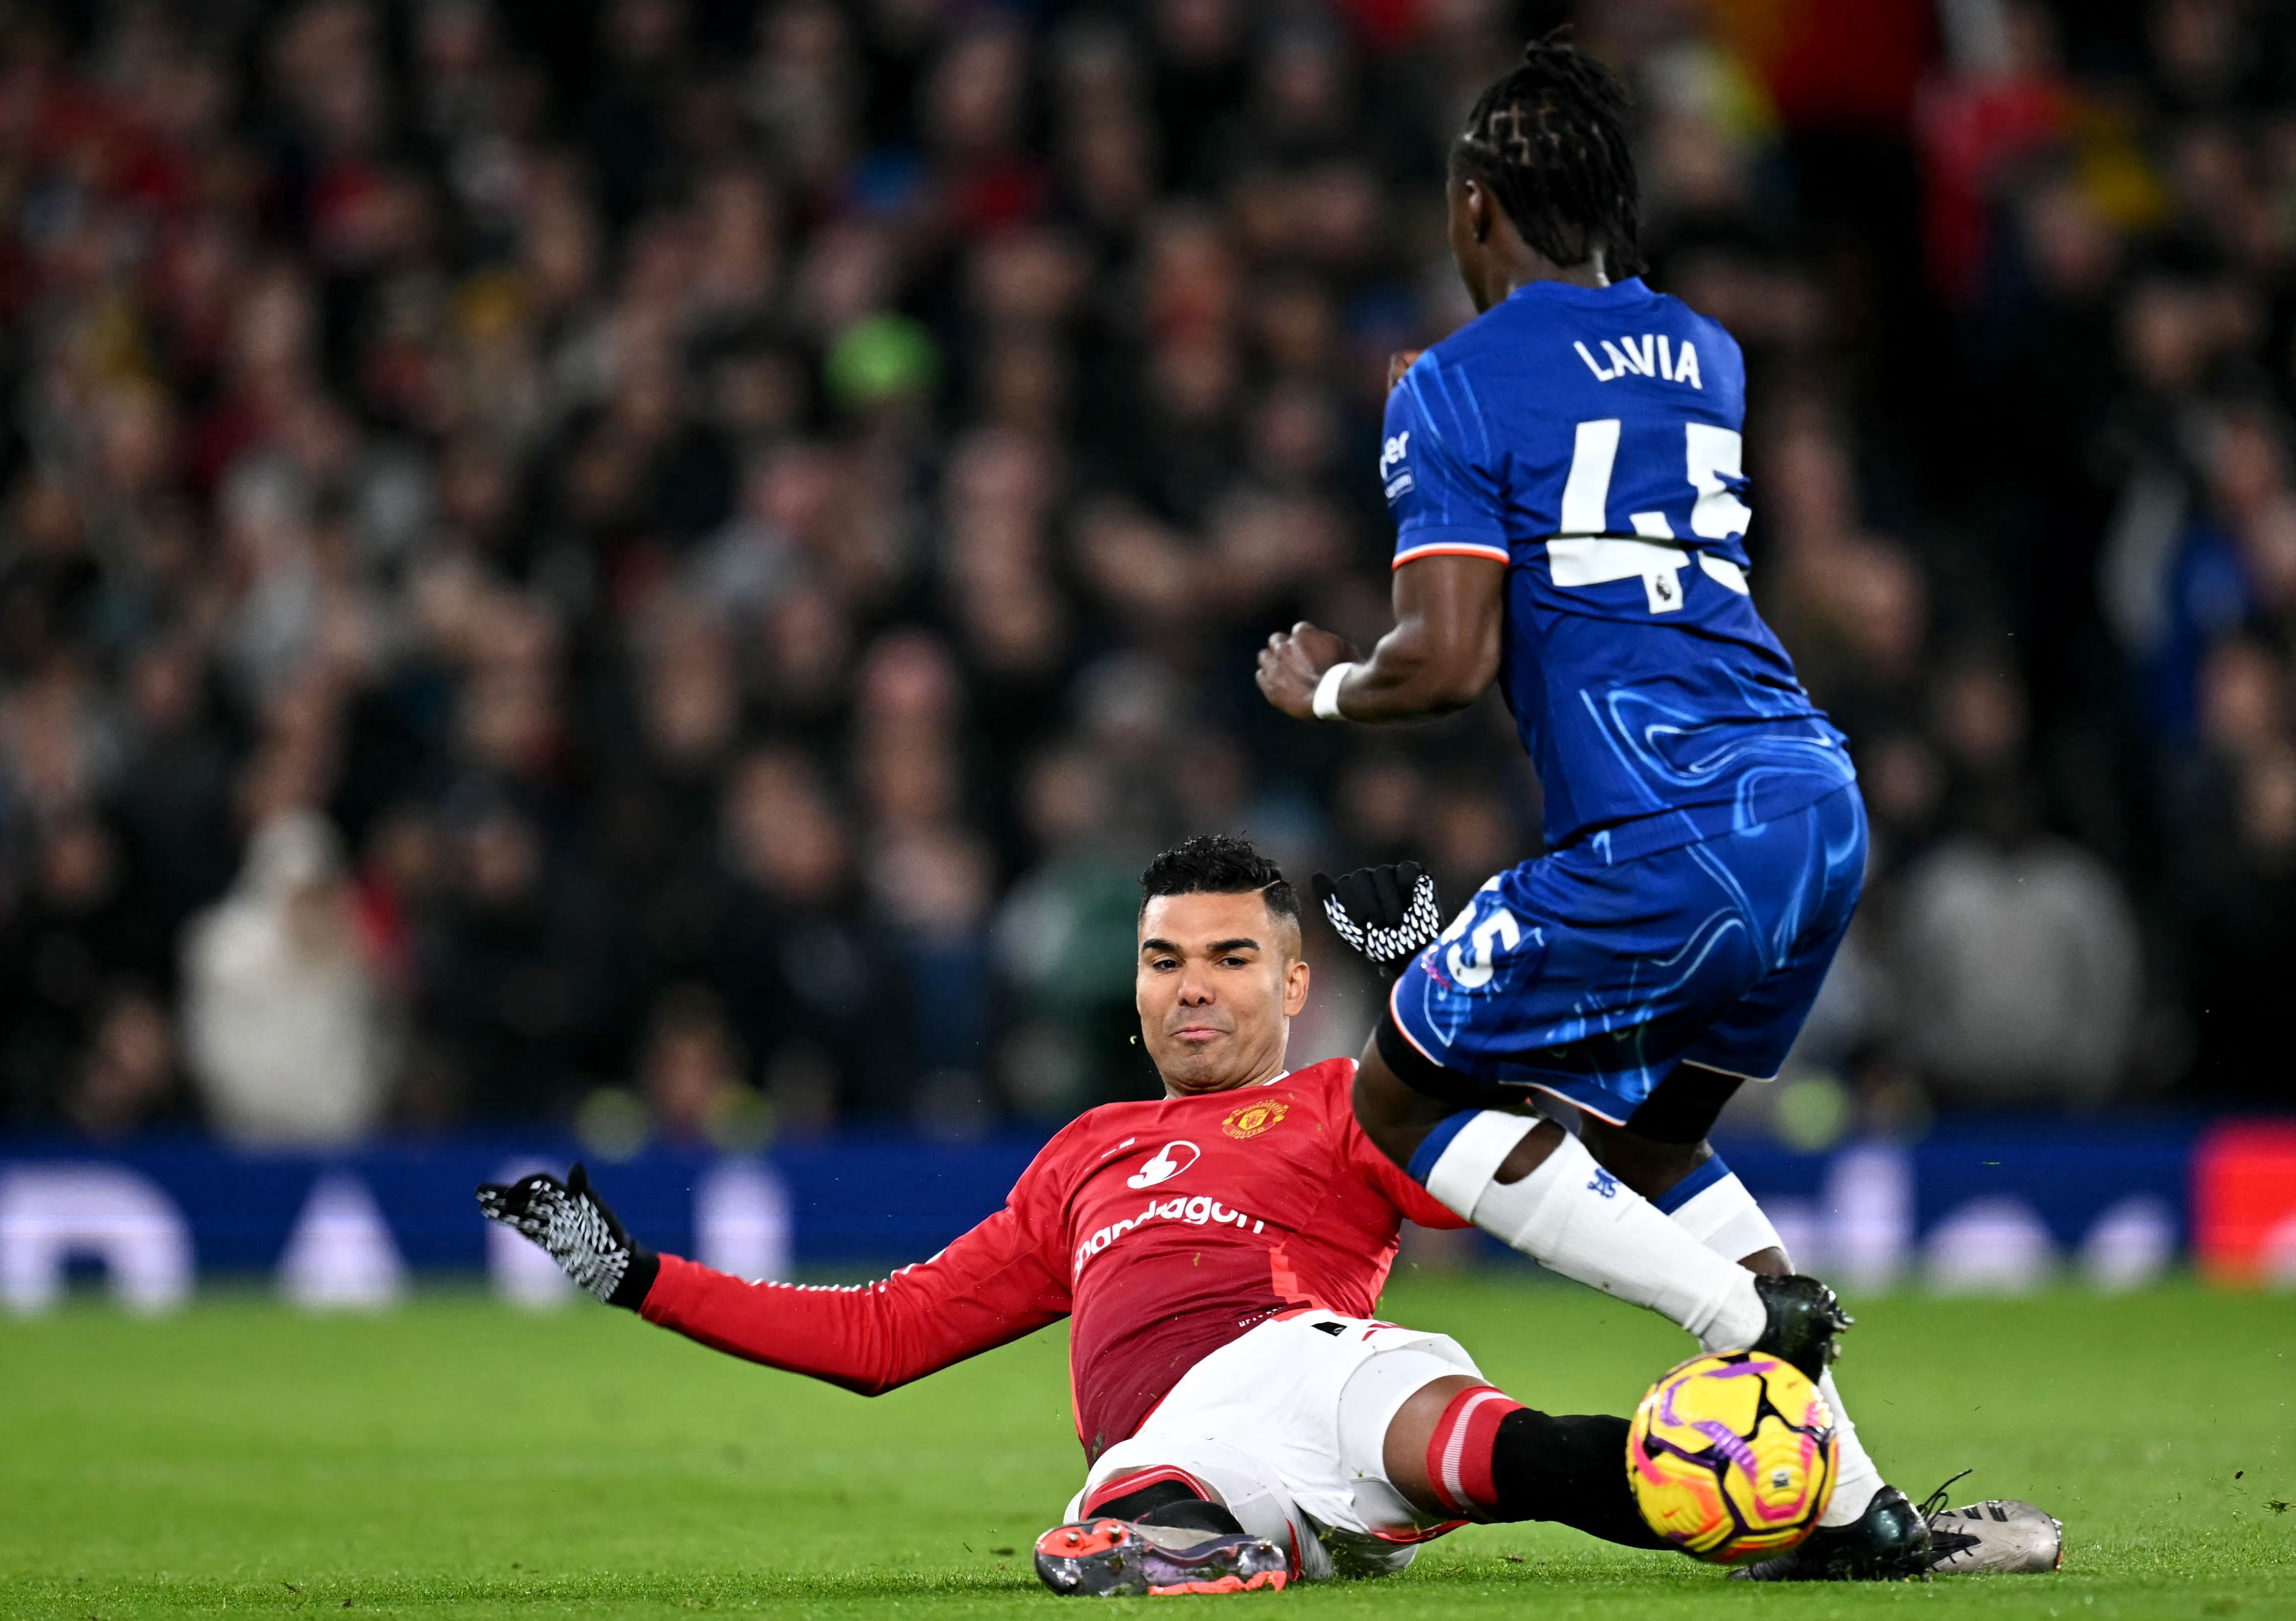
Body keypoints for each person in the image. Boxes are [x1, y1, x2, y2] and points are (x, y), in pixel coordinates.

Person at [1253, 34, 2059, 1580]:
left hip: (1667, 833)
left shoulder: (1452, 382)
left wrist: (1327, 690)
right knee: (1636, 1147)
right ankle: (1859, 1516)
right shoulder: (1707, 351)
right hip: (1811, 802)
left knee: (1402, 1099)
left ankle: (1747, 1322)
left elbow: (1444, 657)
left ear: (1478, 206)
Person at [478, 834, 1854, 1595]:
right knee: (1131, 1494)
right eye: (1163, 961)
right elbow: (883, 1337)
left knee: (1483, 1444)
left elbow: (1519, 1145)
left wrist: (1425, 973)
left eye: (1229, 959)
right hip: (1177, 1435)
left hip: (1316, 1367)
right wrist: (637, 1276)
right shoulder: (1084, 1153)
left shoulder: (1348, 1102)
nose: (1193, 989)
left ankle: (1808, 1513)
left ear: (1293, 982)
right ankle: (1189, 1539)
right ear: (1133, 989)